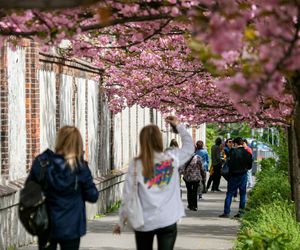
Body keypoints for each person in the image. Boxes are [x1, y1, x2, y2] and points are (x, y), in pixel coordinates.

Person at [113, 116, 194, 250]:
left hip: (144, 220)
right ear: (159, 140)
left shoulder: (137, 164)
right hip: (168, 218)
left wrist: (121, 222)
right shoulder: (171, 159)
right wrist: (178, 126)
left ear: (142, 141)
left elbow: (128, 195)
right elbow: (189, 148)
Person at [26, 126, 99, 250]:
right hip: (72, 225)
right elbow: (92, 196)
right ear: (77, 144)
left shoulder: (43, 162)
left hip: (46, 223)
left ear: (59, 140)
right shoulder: (80, 167)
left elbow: (29, 190)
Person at [219, 137, 253, 218]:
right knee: (242, 194)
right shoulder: (247, 153)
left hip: (233, 175)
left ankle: (226, 212)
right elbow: (250, 166)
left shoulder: (232, 152)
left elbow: (229, 164)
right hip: (243, 175)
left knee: (230, 193)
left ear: (236, 144)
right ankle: (241, 212)